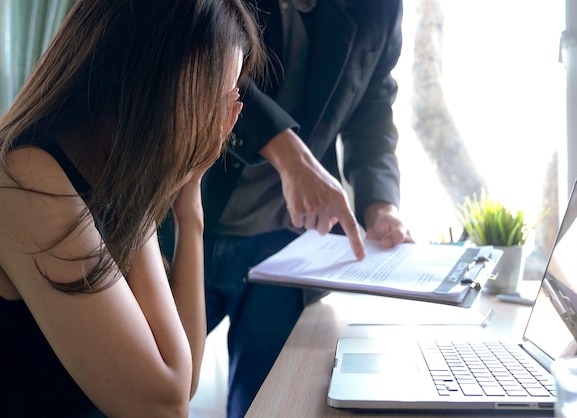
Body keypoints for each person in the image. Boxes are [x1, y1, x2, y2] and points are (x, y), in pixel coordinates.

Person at [0, 0, 262, 416]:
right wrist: (157, 176)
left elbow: (185, 376)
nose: (220, 123)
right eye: (216, 95)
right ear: (154, 77)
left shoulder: (105, 178)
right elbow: (163, 405)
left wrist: (188, 199)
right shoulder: (25, 178)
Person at [190, 1, 410, 416]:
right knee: (132, 391)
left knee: (266, 407)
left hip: (287, 246)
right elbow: (201, 54)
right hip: (183, 220)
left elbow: (373, 107)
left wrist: (381, 205)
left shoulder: (379, 8)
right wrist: (290, 155)